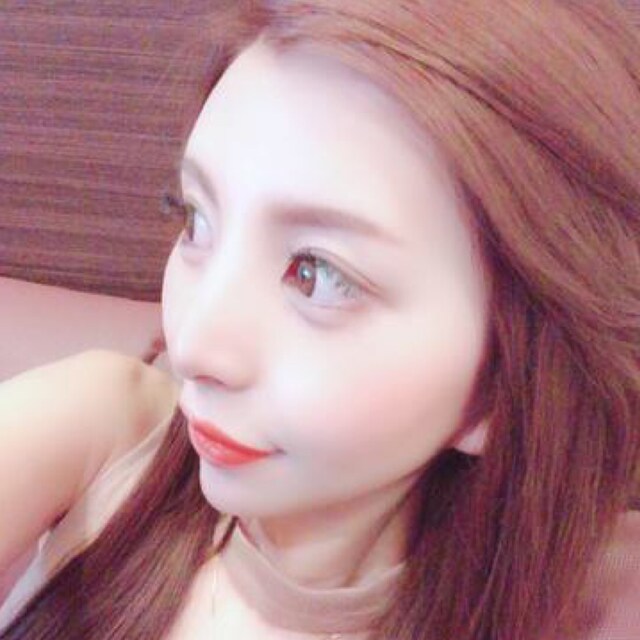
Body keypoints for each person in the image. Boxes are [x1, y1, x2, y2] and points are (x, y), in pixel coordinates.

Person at [1, 1, 639, 638]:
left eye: (317, 274)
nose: (192, 346)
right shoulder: (102, 430)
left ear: (504, 385)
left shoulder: (587, 603)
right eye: (195, 220)